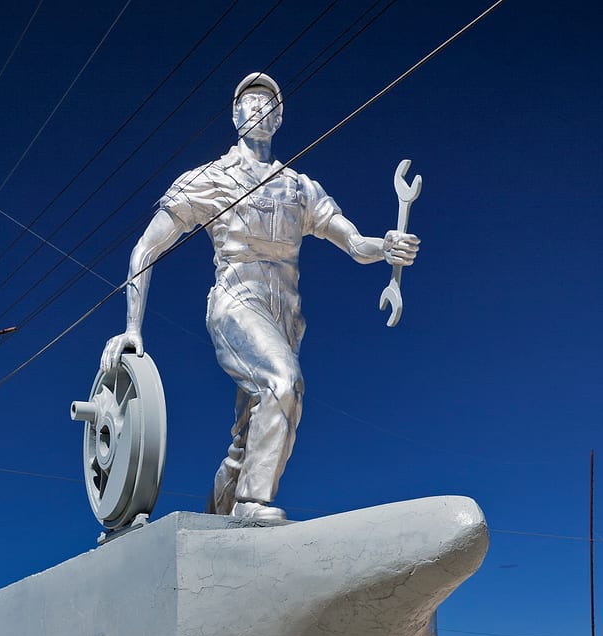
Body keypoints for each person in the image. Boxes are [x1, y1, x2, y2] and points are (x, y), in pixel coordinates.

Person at [101, 73, 420, 525]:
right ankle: (253, 502)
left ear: (280, 117)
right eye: (249, 103)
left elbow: (351, 242)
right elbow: (147, 247)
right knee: (282, 382)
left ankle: (216, 520)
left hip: (286, 313)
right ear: (234, 115)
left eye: (268, 103)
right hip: (236, 300)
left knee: (249, 436)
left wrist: (385, 247)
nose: (259, 110)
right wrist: (132, 327)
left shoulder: (299, 187)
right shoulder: (212, 177)